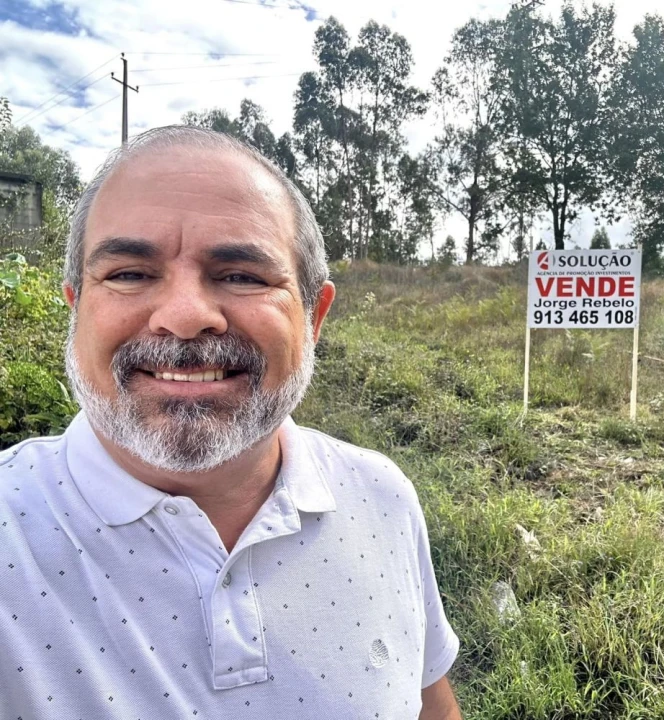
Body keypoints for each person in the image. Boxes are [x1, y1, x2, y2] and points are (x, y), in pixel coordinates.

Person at [0, 126, 462, 719]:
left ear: (314, 318)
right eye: (129, 273)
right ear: (76, 310)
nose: (185, 317)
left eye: (242, 276)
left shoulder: (381, 496)